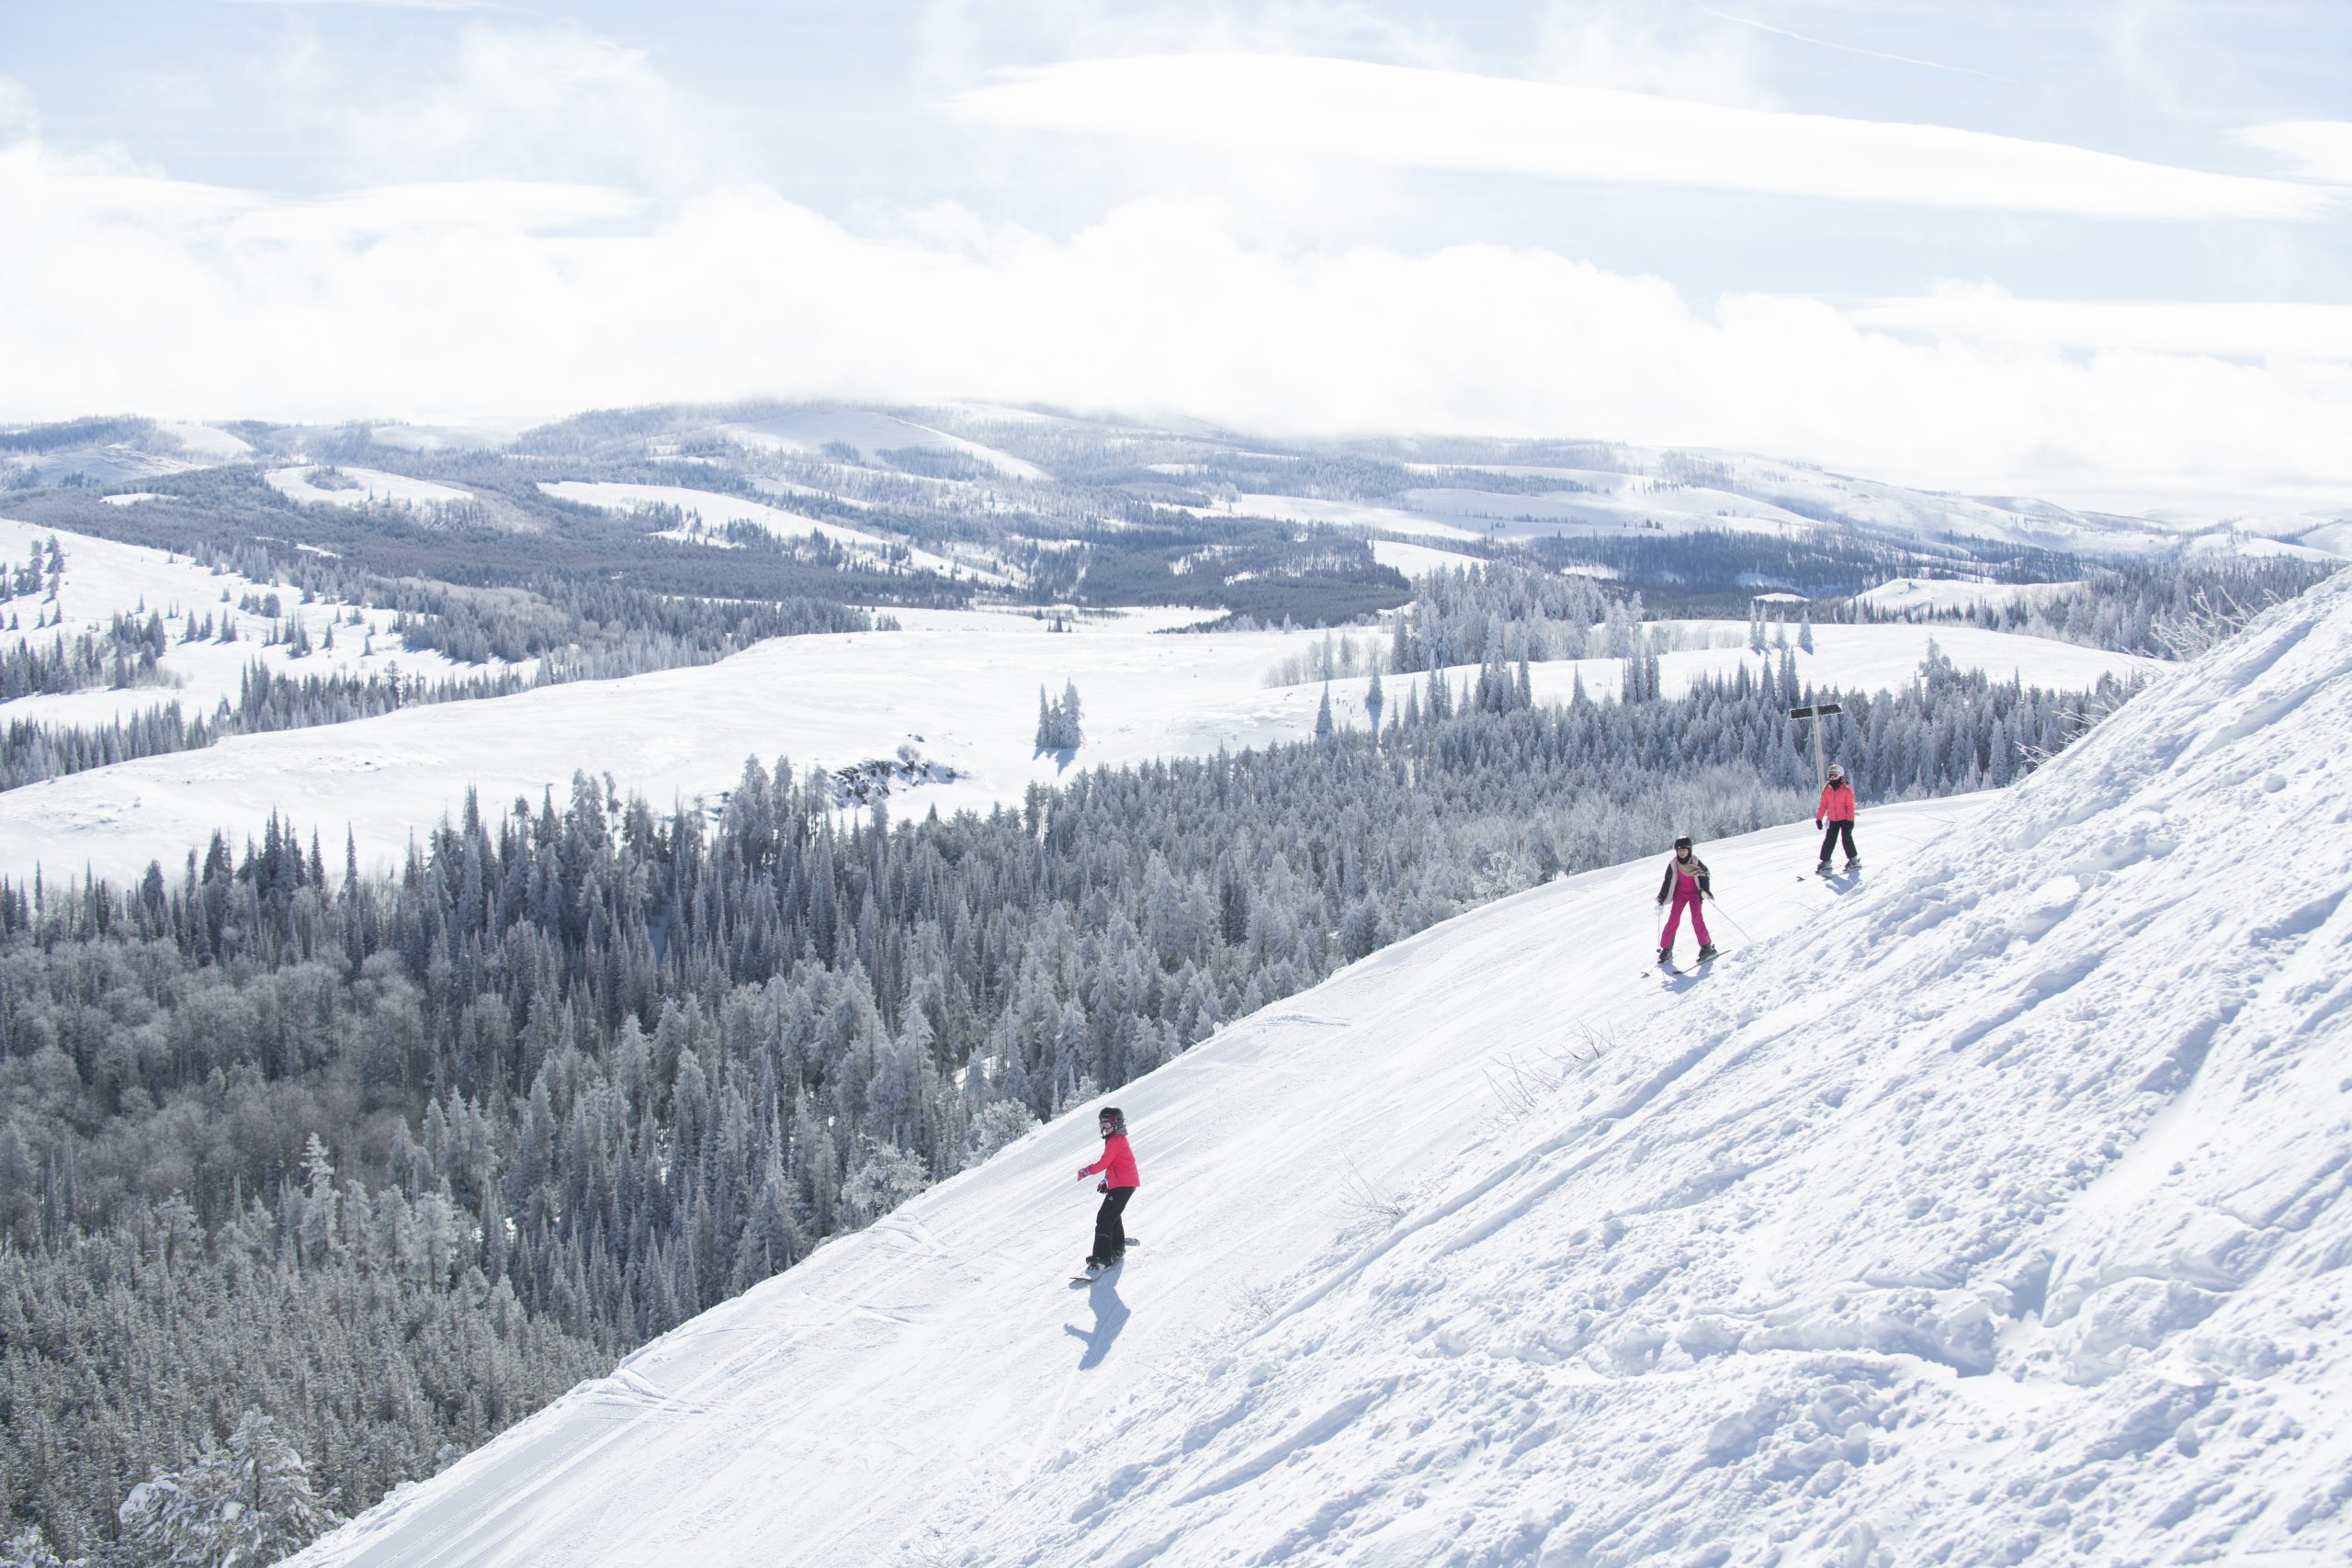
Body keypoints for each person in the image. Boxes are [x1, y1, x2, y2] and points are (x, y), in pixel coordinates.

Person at [1077, 1106, 1139, 1275]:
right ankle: (1117, 1247)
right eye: (1101, 1124)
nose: (1103, 1128)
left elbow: (1104, 1162)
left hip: (1124, 1184)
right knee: (1112, 1215)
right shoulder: (1116, 1139)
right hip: (1124, 1183)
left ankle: (1102, 1257)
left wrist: (1087, 1170)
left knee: (1104, 1218)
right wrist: (1107, 1180)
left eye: (1107, 1123)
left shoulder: (1115, 1140)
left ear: (1117, 1123)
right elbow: (1113, 1163)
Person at [1656, 835, 1718, 965]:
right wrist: (1661, 896)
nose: (1681, 852)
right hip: (1681, 893)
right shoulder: (1674, 864)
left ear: (1689, 849)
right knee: (1673, 919)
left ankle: (1706, 946)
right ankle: (1666, 949)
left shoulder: (1695, 862)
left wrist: (1705, 890)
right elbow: (1667, 882)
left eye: (1684, 849)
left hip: (1694, 893)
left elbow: (1705, 874)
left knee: (1696, 918)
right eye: (1679, 849)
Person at [1815, 762, 1861, 873]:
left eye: (1834, 776)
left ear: (1840, 776)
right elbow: (1823, 806)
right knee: (1829, 840)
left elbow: (1850, 806)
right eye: (1830, 776)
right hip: (1832, 820)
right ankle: (1825, 862)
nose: (1832, 778)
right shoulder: (1828, 790)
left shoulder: (1846, 789)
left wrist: (1851, 820)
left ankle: (1854, 860)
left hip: (1845, 819)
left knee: (1846, 839)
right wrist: (1819, 818)